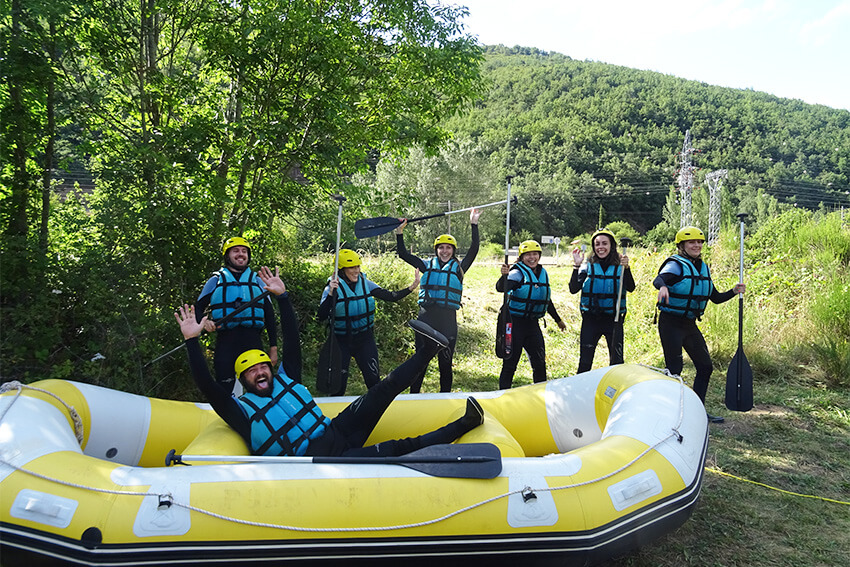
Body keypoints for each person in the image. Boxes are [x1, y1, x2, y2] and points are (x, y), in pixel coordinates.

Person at [175, 266, 485, 458]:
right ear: (243, 381)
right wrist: (192, 341)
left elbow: (292, 341)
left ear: (270, 368)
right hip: (321, 460)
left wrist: (282, 298)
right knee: (397, 448)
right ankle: (464, 424)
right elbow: (207, 386)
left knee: (382, 390)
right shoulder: (240, 413)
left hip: (335, 429)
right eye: (251, 372)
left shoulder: (287, 378)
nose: (259, 373)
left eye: (262, 367)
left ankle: (427, 351)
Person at [654, 226, 745, 424]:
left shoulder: (702, 268)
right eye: (692, 242)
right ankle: (671, 414)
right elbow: (659, 279)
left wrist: (734, 291)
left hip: (688, 324)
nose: (697, 245)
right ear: (682, 246)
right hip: (670, 323)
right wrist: (662, 286)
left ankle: (697, 410)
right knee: (674, 370)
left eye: (699, 242)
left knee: (705, 367)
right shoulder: (676, 265)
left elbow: (716, 298)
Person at [394, 208, 482, 393]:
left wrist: (473, 223)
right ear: (436, 250)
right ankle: (414, 396)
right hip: (426, 319)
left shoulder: (459, 267)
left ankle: (445, 398)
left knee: (445, 362)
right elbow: (403, 254)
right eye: (441, 247)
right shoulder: (426, 266)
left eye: (448, 248)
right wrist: (399, 232)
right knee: (420, 362)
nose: (444, 251)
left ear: (453, 250)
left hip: (447, 321)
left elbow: (474, 249)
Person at [318, 249, 421, 395]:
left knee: (374, 381)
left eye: (358, 267)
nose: (356, 271)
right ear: (341, 270)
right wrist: (330, 295)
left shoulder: (365, 283)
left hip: (364, 339)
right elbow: (321, 316)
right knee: (337, 386)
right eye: (351, 268)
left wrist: (412, 286)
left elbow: (390, 296)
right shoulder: (332, 288)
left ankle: (376, 413)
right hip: (340, 341)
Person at [194, 237, 278, 391]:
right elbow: (198, 308)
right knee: (224, 387)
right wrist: (204, 322)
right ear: (227, 256)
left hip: (252, 340)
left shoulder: (259, 281)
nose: (241, 254)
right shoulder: (215, 280)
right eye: (236, 251)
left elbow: (270, 315)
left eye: (244, 251)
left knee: (261, 386)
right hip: (226, 341)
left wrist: (273, 347)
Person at [495, 240, 566, 389]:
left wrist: (558, 320)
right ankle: (503, 395)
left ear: (539, 256)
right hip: (515, 324)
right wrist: (504, 276)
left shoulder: (542, 273)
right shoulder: (517, 272)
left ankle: (540, 394)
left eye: (535, 254)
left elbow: (545, 299)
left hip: (533, 325)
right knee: (510, 363)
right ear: (521, 257)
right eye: (528, 255)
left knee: (540, 363)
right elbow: (501, 288)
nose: (532, 258)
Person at [569, 230, 635, 373]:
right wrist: (576, 266)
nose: (601, 247)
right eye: (597, 244)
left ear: (612, 245)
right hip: (591, 319)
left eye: (604, 243)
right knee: (585, 362)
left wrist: (627, 268)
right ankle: (582, 392)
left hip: (614, 319)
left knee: (617, 362)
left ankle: (615, 390)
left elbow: (631, 288)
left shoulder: (621, 265)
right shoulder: (587, 265)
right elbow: (573, 288)